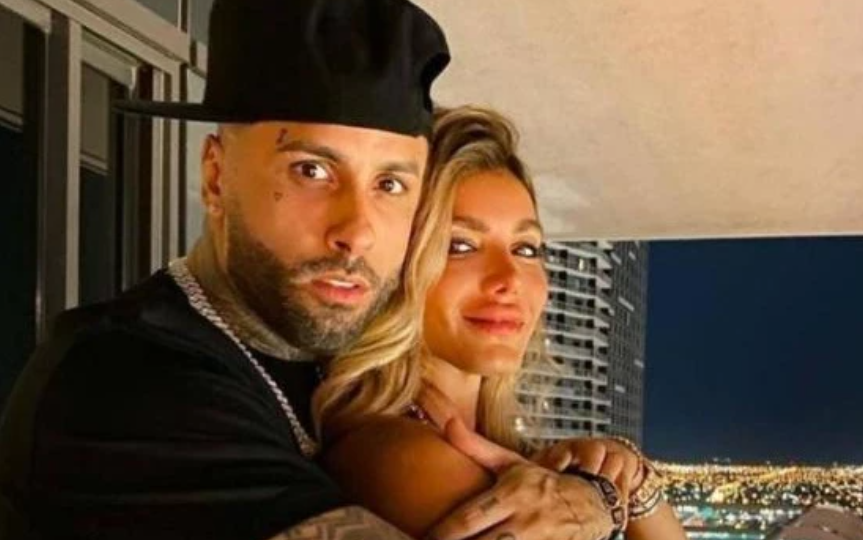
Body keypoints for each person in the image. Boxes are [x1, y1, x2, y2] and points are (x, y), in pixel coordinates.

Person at [0, 2, 618, 539]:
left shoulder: (325, 363)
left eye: (390, 184)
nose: (358, 231)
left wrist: (596, 488)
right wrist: (605, 508)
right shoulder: (124, 382)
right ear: (215, 177)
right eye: (312, 171)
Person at [318, 106, 689, 540]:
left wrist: (631, 479)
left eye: (526, 249)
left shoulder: (495, 449)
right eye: (461, 245)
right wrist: (607, 501)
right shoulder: (399, 457)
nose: (509, 279)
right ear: (397, 265)